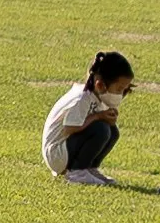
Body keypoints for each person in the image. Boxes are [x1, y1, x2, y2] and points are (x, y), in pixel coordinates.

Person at [42, 51, 134, 185]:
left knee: (112, 130)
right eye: (119, 89)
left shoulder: (98, 96)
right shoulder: (82, 98)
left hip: (67, 151)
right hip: (56, 155)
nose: (121, 95)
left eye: (125, 90)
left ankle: (89, 168)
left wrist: (107, 117)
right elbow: (69, 128)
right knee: (101, 129)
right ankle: (77, 172)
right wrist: (98, 116)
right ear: (100, 85)